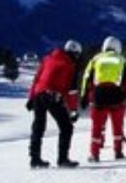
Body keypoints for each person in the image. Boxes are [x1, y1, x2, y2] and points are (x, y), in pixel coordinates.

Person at [80, 36, 126, 162]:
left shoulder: (95, 59)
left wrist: (84, 96)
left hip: (99, 96)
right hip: (117, 95)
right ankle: (118, 152)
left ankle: (94, 154)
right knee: (117, 126)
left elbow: (86, 78)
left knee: (96, 127)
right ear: (118, 48)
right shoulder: (121, 59)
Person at [26, 40, 83, 168]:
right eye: (77, 55)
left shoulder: (47, 58)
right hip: (53, 96)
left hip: (38, 95)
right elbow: (71, 91)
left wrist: (31, 98)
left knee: (38, 127)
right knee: (66, 127)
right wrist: (73, 111)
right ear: (74, 53)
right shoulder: (70, 65)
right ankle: (62, 159)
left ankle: (35, 159)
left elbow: (37, 78)